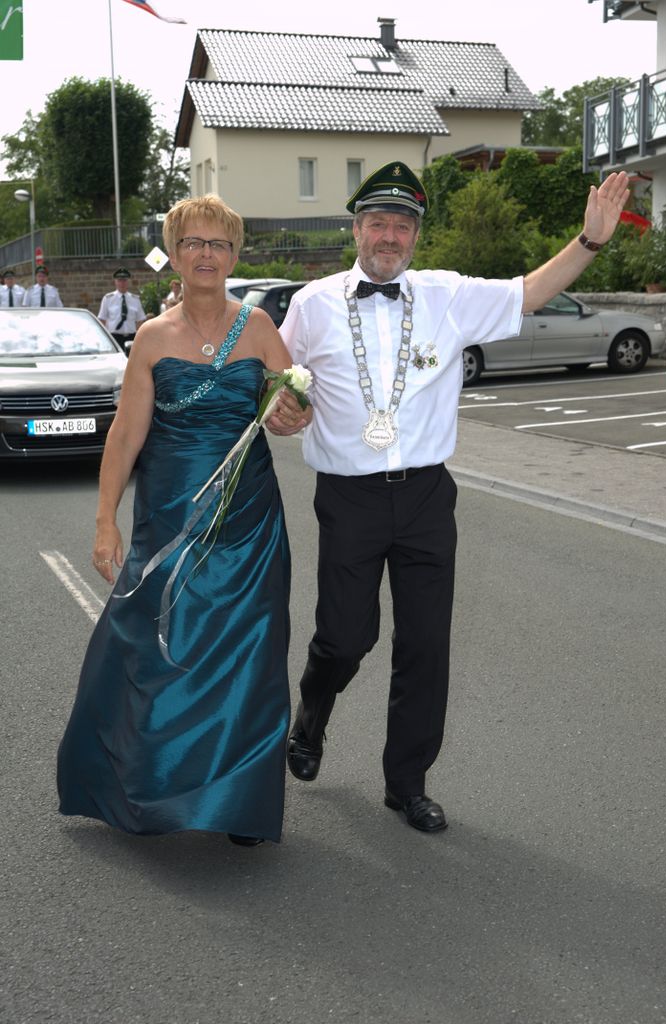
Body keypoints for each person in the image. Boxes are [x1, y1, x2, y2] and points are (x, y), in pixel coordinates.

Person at [269, 160, 630, 834]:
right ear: (356, 229)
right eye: (378, 222)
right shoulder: (312, 304)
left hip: (427, 497)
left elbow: (528, 293)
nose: (389, 235)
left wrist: (590, 241)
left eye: (402, 225)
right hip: (348, 497)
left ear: (415, 236)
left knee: (426, 646)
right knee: (344, 639)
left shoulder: (449, 294)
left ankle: (406, 784)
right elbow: (277, 384)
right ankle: (311, 715)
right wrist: (281, 411)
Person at [57, 195, 307, 846]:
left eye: (218, 244)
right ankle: (142, 786)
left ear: (235, 255)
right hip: (168, 519)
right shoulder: (152, 337)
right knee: (153, 649)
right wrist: (105, 520)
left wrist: (294, 414)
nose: (206, 254)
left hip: (248, 523)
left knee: (250, 654)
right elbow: (125, 436)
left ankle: (240, 802)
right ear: (172, 253)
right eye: (192, 242)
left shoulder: (259, 328)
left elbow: (290, 407)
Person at [98, 267, 146, 348]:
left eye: (124, 280)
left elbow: (140, 321)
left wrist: (139, 337)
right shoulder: (108, 298)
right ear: (115, 282)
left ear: (128, 282)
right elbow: (102, 319)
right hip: (114, 337)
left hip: (131, 337)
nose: (122, 283)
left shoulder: (135, 299)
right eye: (119, 280)